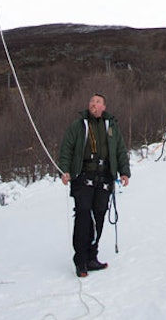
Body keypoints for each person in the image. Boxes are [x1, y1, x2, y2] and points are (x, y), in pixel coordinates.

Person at [59, 93, 131, 277]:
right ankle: (81, 260)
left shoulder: (111, 127)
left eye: (97, 102)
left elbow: (120, 150)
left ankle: (92, 256)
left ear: (104, 107)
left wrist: (124, 172)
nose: (93, 104)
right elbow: (66, 148)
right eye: (91, 101)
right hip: (83, 177)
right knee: (84, 216)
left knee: (99, 216)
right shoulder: (78, 126)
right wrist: (65, 170)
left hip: (104, 178)